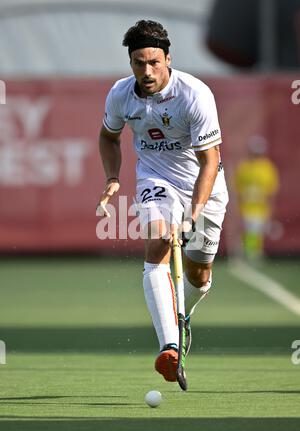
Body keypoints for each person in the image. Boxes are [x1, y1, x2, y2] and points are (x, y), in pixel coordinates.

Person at [97, 20, 228, 383]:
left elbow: (210, 161)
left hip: (205, 187)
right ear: (131, 64)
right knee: (157, 240)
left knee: (199, 275)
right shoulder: (121, 94)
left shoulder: (194, 94)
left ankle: (182, 318)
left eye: (154, 62)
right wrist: (112, 178)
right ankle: (169, 346)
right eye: (139, 63)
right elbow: (108, 137)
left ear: (168, 59)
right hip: (156, 179)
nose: (147, 71)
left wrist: (195, 213)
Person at [235, 136, 280, 261]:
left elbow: (271, 191)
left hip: (261, 207)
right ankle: (248, 254)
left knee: (256, 233)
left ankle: (253, 254)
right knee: (249, 232)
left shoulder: (267, 168)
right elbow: (238, 189)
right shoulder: (244, 167)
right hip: (246, 207)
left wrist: (271, 208)